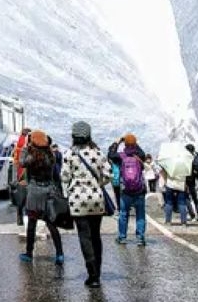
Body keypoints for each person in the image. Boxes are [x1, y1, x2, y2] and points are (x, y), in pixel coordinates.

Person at [61, 120, 112, 288]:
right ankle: (98, 271)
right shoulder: (97, 152)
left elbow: (64, 176)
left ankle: (92, 275)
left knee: (85, 236)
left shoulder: (70, 154)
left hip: (77, 200)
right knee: (96, 235)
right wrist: (97, 184)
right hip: (97, 199)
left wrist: (74, 185)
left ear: (74, 136)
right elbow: (108, 175)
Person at [18, 130, 65, 264]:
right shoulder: (50, 155)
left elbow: (21, 162)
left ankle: (28, 253)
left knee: (32, 224)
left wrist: (25, 149)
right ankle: (60, 254)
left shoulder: (31, 156)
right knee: (51, 224)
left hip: (34, 193)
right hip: (49, 192)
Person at [108, 134, 148, 245]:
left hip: (126, 191)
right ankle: (140, 238)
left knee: (123, 214)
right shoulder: (140, 156)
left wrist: (118, 142)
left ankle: (122, 237)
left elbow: (110, 154)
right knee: (140, 214)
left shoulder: (121, 156)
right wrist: (134, 143)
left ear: (125, 144)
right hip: (139, 190)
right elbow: (141, 152)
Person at [13, 127, 31, 226]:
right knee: (28, 196)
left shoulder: (18, 143)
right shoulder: (27, 143)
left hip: (20, 173)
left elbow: (16, 159)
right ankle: (29, 218)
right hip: (27, 173)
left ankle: (19, 219)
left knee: (21, 197)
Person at [184, 143, 198, 221]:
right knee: (195, 198)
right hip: (193, 180)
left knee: (187, 198)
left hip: (185, 182)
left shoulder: (183, 159)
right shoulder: (195, 158)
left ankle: (192, 215)